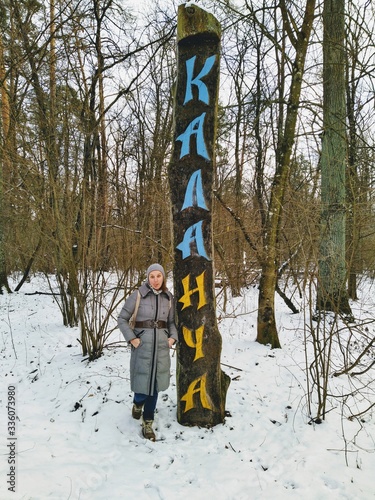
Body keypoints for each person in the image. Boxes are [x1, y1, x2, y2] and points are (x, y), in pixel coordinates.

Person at [118, 263, 178, 441]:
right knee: (143, 386)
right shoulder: (138, 295)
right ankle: (137, 404)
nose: (156, 280)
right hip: (142, 346)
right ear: (147, 278)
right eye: (152, 276)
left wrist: (172, 338)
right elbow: (122, 318)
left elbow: (172, 322)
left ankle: (148, 422)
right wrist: (132, 339)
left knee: (155, 387)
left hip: (161, 347)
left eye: (159, 276)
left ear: (163, 278)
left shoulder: (169, 298)